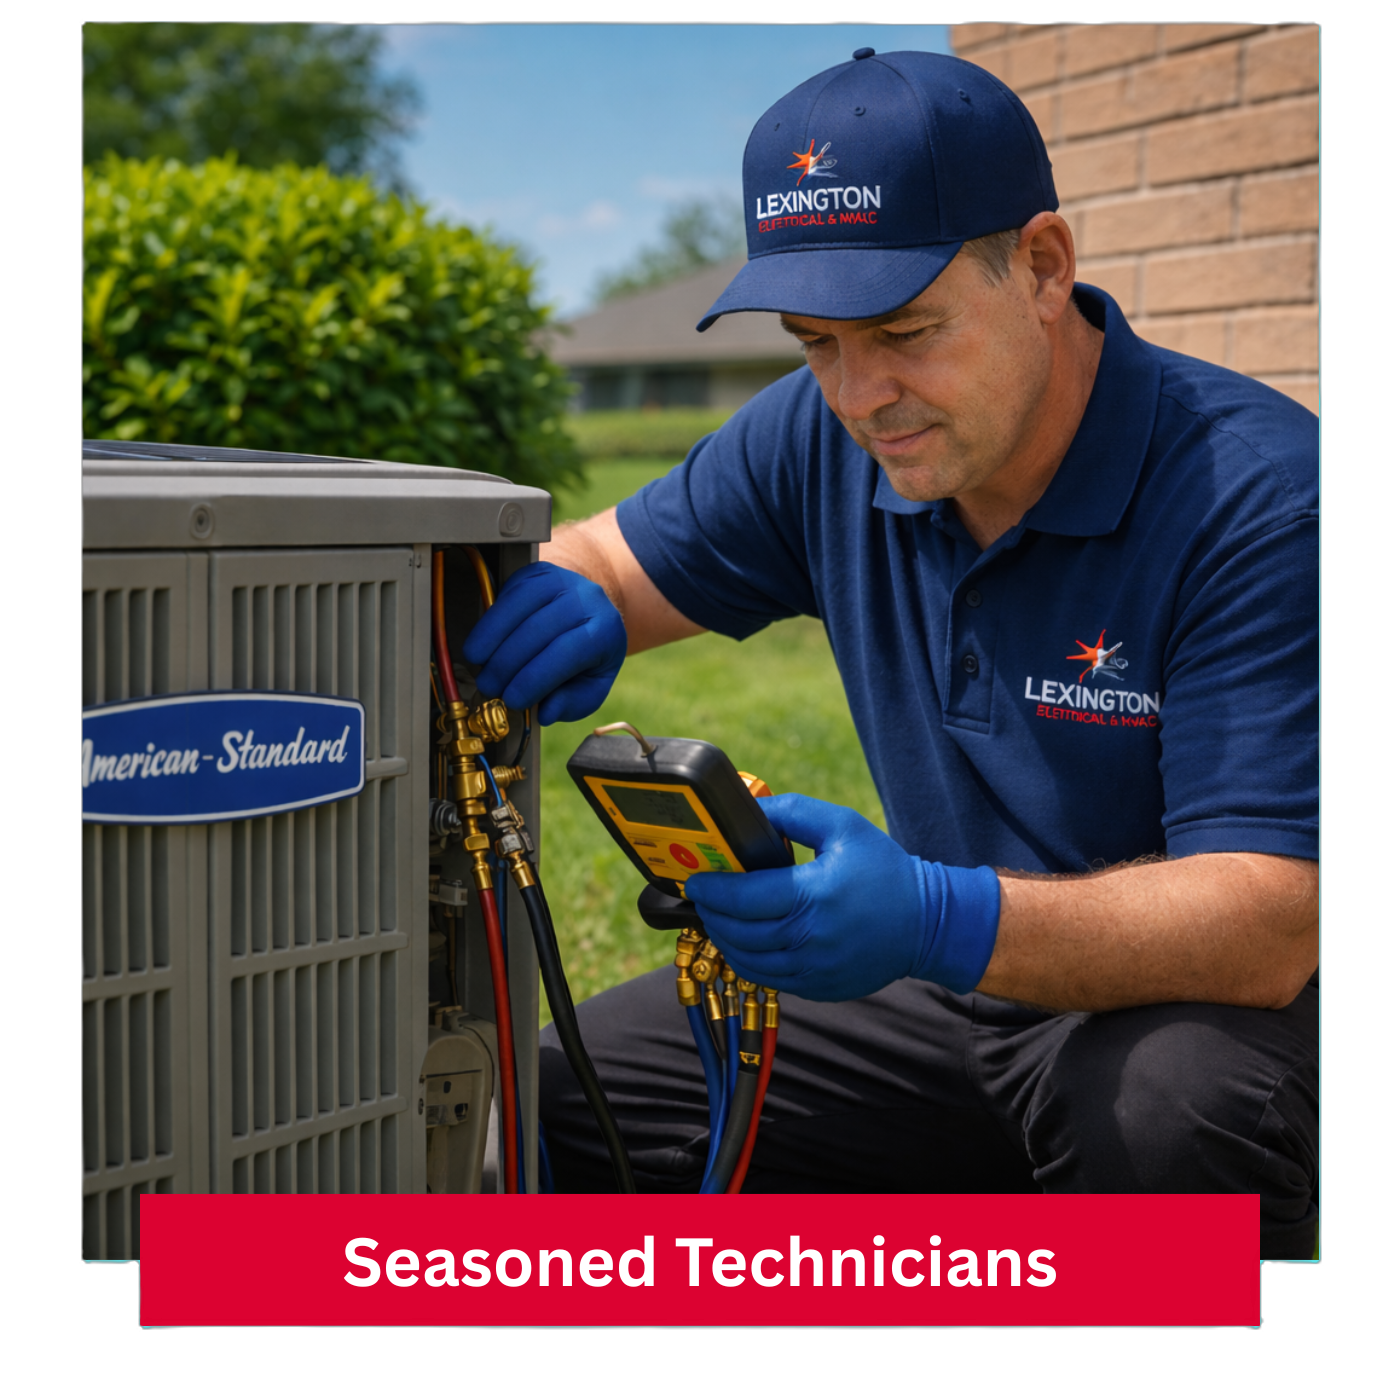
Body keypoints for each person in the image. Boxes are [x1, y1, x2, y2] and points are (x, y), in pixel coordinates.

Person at [465, 50, 1319, 1256]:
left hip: (1192, 1010)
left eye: (903, 330)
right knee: (553, 1103)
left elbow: (1272, 917)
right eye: (815, 342)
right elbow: (607, 555)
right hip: (951, 1000)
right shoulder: (828, 436)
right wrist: (572, 593)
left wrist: (932, 915)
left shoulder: (1256, 497)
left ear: (1039, 266)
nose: (860, 395)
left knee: (1167, 1113)